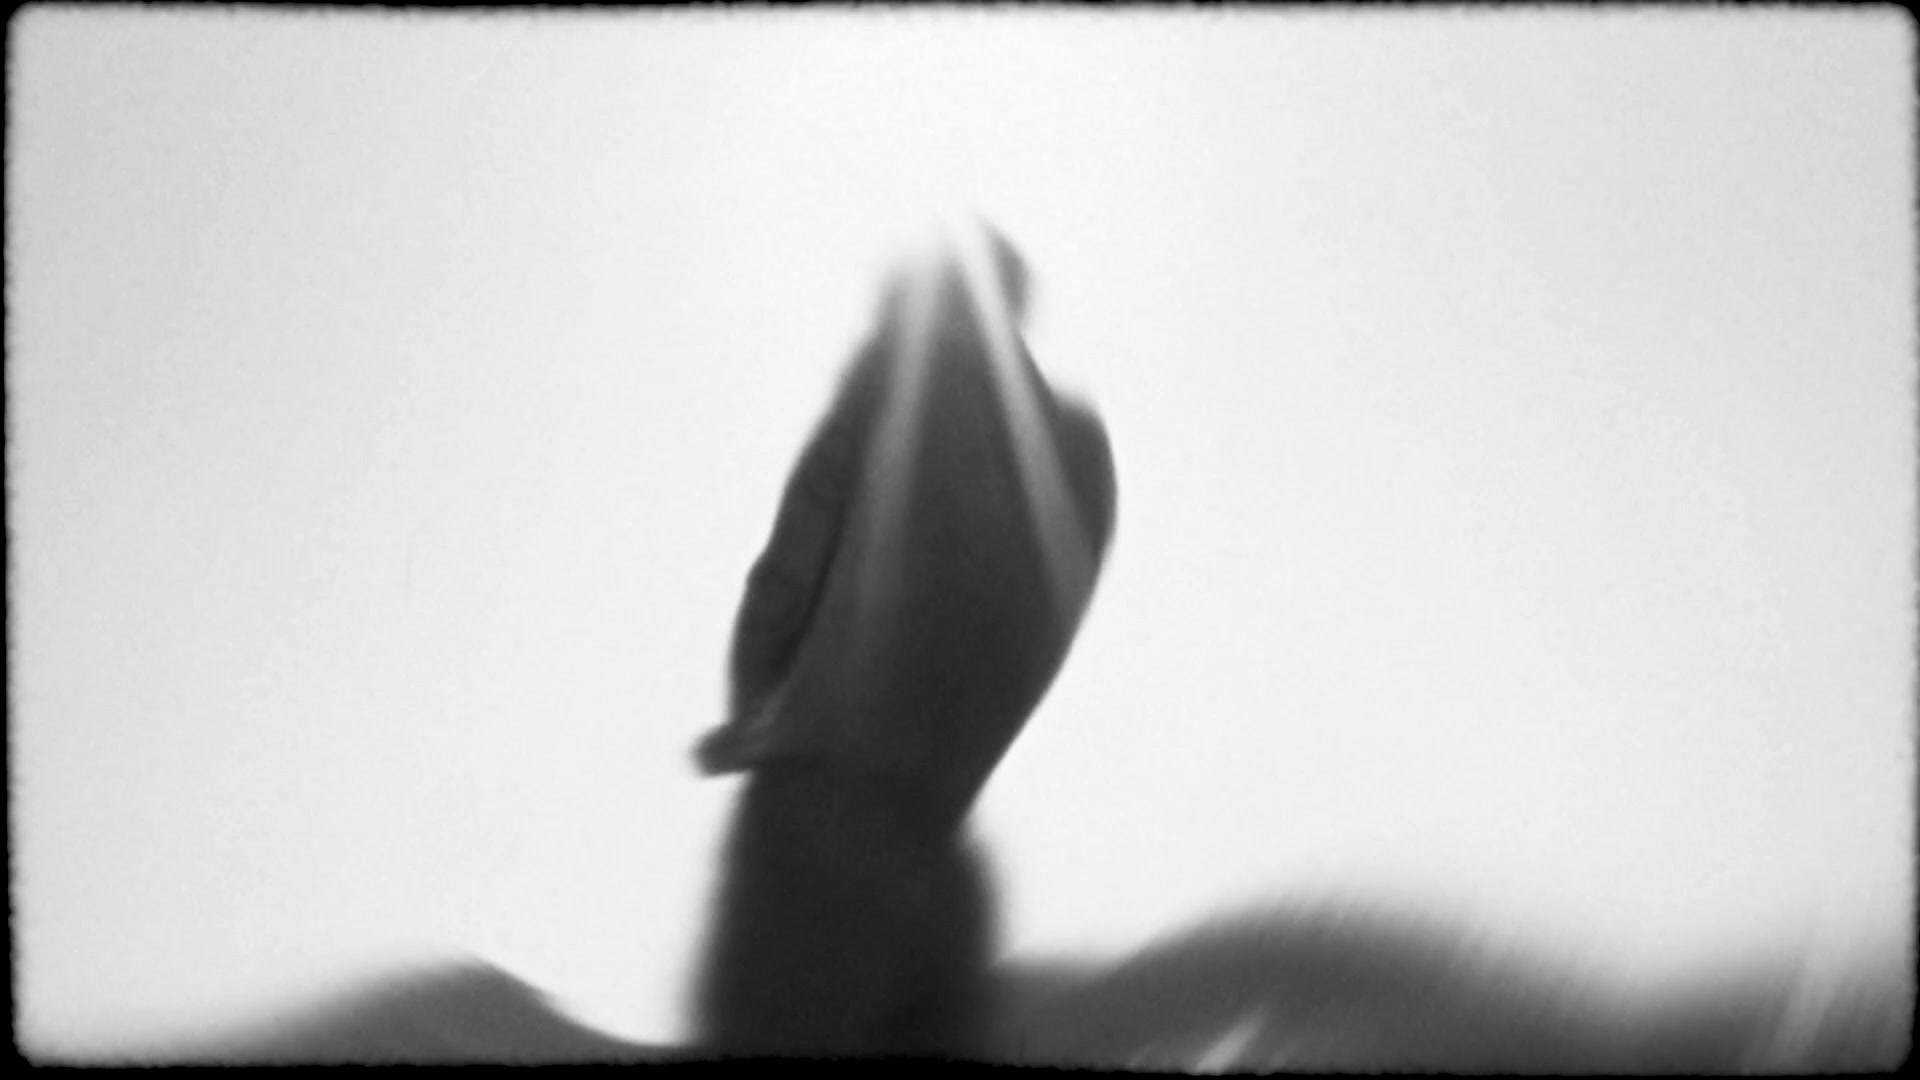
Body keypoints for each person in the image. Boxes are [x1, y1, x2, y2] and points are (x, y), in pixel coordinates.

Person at [689, 221, 1117, 1058]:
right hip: (944, 856)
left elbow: (787, 573)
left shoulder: (893, 386)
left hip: (815, 822)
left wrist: (753, 712)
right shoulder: (1079, 451)